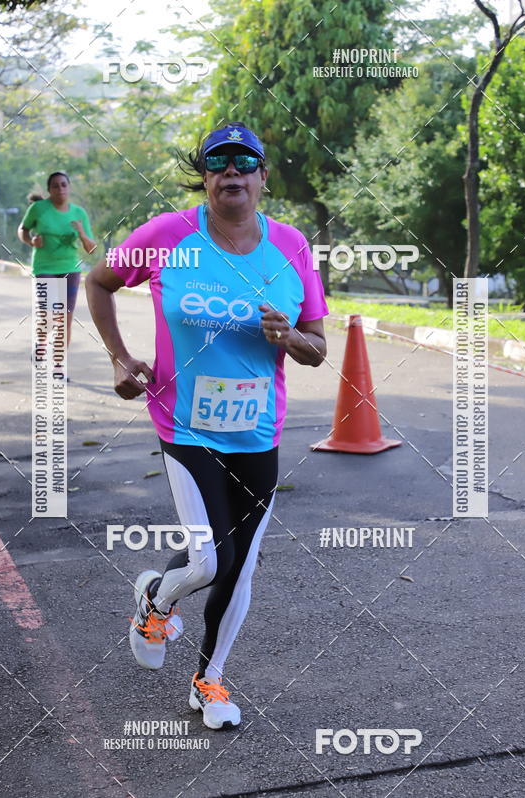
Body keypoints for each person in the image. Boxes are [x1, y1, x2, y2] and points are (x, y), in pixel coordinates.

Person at [86, 122, 328, 730]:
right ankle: (155, 599)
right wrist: (119, 356)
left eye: (245, 163)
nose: (232, 173)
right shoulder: (169, 236)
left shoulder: (293, 246)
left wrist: (293, 337)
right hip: (185, 425)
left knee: (241, 565)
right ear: (206, 176)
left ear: (262, 178)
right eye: (218, 163)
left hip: (259, 433)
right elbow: (99, 281)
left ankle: (209, 681)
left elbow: (319, 348)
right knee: (209, 560)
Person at [18, 171, 96, 360]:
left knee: (65, 319)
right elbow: (23, 230)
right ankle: (41, 345)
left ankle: (59, 364)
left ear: (68, 188)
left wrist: (81, 233)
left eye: (63, 185)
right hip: (44, 267)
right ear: (49, 190)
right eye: (55, 186)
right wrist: (31, 241)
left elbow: (91, 249)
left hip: (70, 268)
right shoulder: (38, 208)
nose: (60, 189)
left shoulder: (79, 213)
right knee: (48, 314)